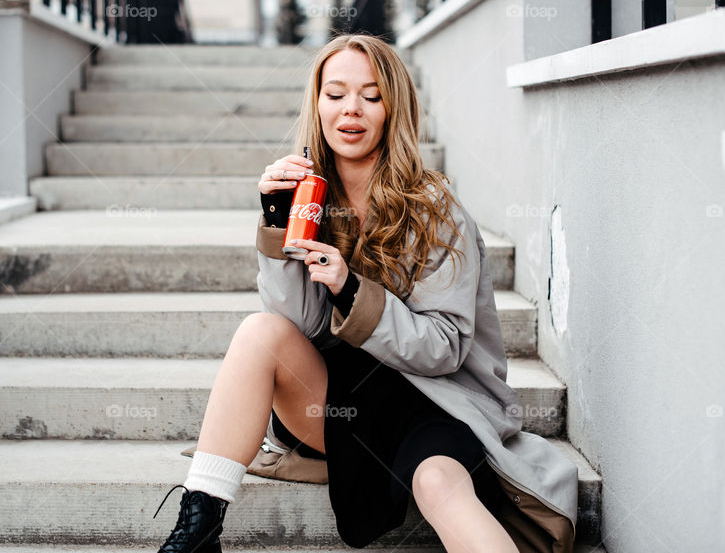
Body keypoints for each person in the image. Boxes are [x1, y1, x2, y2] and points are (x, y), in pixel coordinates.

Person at [154, 34, 579, 553]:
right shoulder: (308, 196)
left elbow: (443, 349)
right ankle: (197, 530)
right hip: (340, 408)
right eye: (334, 95)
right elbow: (300, 326)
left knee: (440, 484)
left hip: (432, 404)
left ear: (391, 107)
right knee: (260, 331)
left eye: (370, 96)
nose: (350, 110)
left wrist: (351, 287)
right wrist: (276, 222)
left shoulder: (435, 210)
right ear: (317, 104)